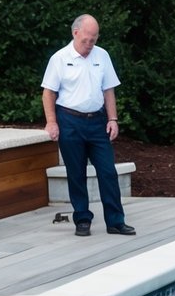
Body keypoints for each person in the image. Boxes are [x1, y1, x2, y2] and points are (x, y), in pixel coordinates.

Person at [41, 14, 135, 238]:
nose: (90, 44)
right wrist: (52, 122)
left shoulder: (102, 55)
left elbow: (109, 90)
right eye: (86, 40)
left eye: (94, 39)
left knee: (107, 172)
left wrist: (113, 119)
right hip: (70, 121)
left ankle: (115, 221)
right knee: (76, 173)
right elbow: (48, 93)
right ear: (75, 33)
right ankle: (82, 219)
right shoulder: (60, 58)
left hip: (97, 122)